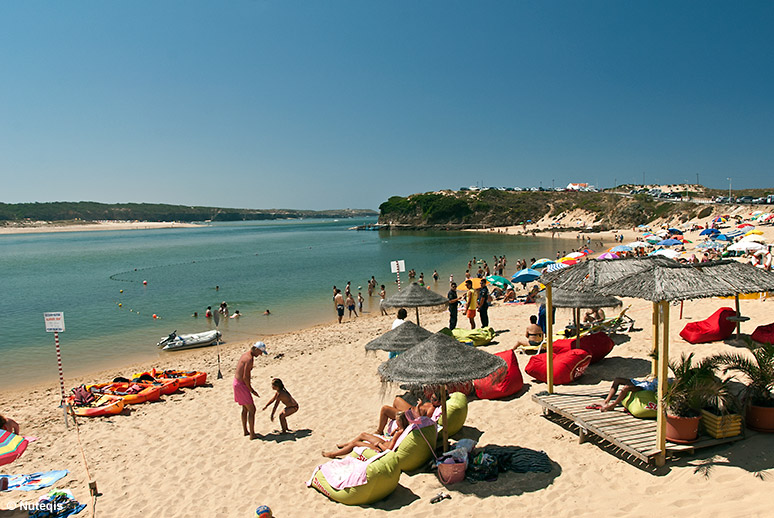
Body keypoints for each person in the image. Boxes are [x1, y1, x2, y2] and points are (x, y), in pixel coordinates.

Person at [323, 411, 409, 458]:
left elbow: (389, 449)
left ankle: (333, 454)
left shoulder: (399, 433)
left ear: (400, 422)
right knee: (363, 435)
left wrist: (378, 444)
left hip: (381, 448)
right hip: (384, 442)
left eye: (396, 420)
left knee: (355, 444)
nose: (395, 422)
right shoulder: (402, 429)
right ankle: (347, 444)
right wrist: (394, 431)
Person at [234, 342, 267, 440]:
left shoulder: (245, 355)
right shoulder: (249, 359)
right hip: (241, 385)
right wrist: (251, 390)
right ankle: (252, 435)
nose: (260, 354)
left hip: (236, 383)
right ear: (256, 349)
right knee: (252, 409)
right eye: (260, 352)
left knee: (245, 408)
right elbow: (245, 377)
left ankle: (246, 431)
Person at [375, 390, 440, 435]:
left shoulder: (432, 409)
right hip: (410, 410)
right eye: (432, 397)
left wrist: (418, 406)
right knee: (397, 399)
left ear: (439, 402)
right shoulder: (431, 405)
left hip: (409, 416)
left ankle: (379, 431)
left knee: (385, 409)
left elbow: (421, 421)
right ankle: (396, 421)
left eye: (434, 399)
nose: (431, 400)